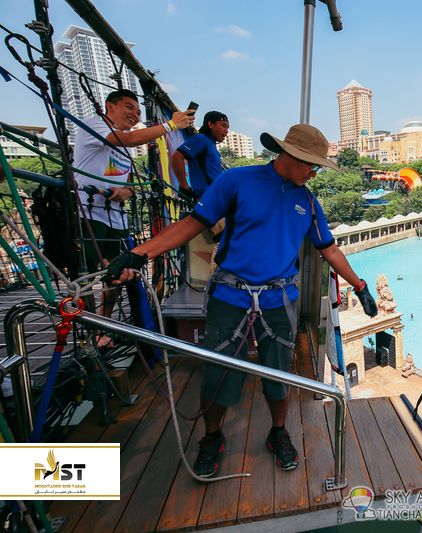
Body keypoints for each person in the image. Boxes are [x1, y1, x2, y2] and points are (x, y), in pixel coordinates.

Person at [104, 123, 378, 477]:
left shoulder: (307, 201)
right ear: (289, 156)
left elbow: (328, 248)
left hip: (279, 299)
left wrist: (359, 285)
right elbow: (192, 224)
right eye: (311, 164)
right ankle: (212, 437)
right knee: (219, 374)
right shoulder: (237, 182)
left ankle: (278, 433)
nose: (314, 172)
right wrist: (140, 254)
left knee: (278, 374)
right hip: (231, 296)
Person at [73, 89, 194, 341]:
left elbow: (128, 185)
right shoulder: (96, 124)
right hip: (88, 211)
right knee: (87, 275)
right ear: (110, 106)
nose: (135, 114)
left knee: (115, 274)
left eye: (138, 111)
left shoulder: (126, 149)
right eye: (129, 107)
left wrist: (125, 192)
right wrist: (172, 125)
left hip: (115, 216)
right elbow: (124, 139)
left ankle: (103, 325)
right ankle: (88, 330)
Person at [172, 111, 229, 202]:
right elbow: (177, 156)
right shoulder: (201, 139)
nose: (226, 130)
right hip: (207, 198)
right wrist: (184, 186)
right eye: (223, 125)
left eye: (227, 127)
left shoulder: (210, 144)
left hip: (216, 197)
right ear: (210, 124)